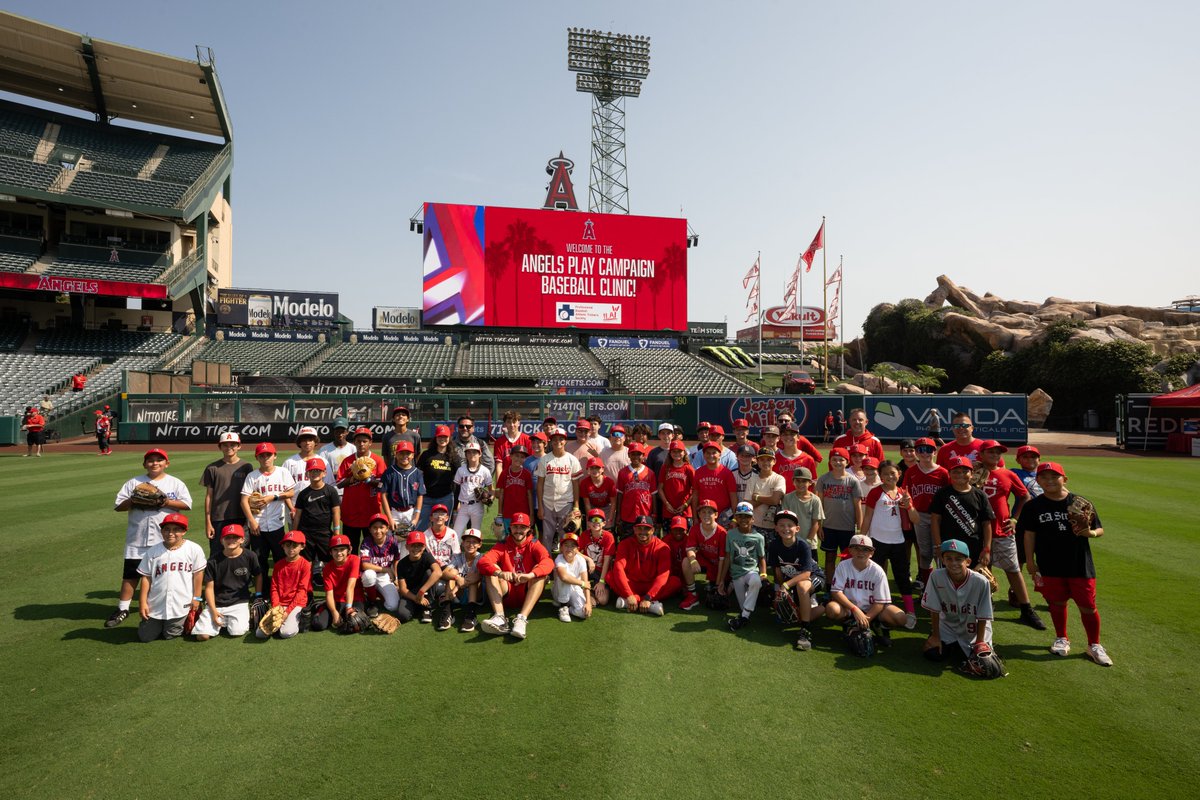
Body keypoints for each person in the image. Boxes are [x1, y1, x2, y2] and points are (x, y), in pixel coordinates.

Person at [1019, 462, 1112, 666]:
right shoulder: (1033, 506)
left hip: (1080, 564)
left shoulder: (1079, 502)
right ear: (1037, 481)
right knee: (1057, 603)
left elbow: (1099, 529)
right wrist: (1030, 562)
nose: (1049, 480)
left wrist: (1090, 533)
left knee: (1088, 606)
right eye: (1044, 477)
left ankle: (1094, 645)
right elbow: (1029, 535)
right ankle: (1061, 638)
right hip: (1049, 563)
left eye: (1054, 476)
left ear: (1064, 479)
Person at [106, 448, 193, 628]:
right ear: (145, 464)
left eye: (159, 460)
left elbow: (186, 504)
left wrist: (166, 502)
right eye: (151, 460)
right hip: (136, 538)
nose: (155, 463)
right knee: (130, 575)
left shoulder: (175, 483)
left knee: (159, 575)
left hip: (164, 540)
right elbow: (118, 506)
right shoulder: (134, 483)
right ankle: (123, 608)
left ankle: (156, 608)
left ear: (166, 463)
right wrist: (134, 500)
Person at [976, 440, 1045, 630]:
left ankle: (1026, 609)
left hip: (1001, 529)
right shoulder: (972, 473)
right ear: (981, 454)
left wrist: (1015, 518)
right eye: (990, 452)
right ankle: (984, 607)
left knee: (1013, 569)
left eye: (998, 452)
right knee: (982, 570)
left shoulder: (1008, 474)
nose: (995, 455)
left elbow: (1024, 496)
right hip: (975, 530)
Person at [862, 461, 920, 629]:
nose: (889, 476)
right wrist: (861, 537)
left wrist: (908, 506)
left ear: (899, 474)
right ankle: (876, 608)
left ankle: (910, 611)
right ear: (880, 476)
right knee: (876, 576)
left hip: (898, 542)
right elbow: (867, 517)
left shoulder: (904, 493)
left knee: (902, 576)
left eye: (892, 473)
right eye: (885, 473)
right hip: (877, 541)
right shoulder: (875, 493)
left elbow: (915, 519)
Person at [921, 539, 996, 670]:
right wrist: (935, 636)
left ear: (968, 562)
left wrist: (980, 642)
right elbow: (934, 609)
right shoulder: (936, 576)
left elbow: (983, 615)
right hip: (948, 627)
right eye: (949, 559)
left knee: (983, 663)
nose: (953, 563)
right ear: (943, 560)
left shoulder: (981, 582)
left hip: (974, 630)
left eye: (958, 559)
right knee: (932, 654)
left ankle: (960, 648)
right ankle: (953, 646)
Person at [477, 512, 554, 639]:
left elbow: (548, 562)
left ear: (529, 529)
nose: (518, 531)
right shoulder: (502, 544)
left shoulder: (534, 544)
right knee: (491, 571)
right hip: (507, 590)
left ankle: (521, 619)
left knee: (539, 573)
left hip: (527, 592)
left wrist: (530, 575)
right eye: (515, 527)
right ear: (510, 527)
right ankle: (500, 617)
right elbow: (483, 562)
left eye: (522, 527)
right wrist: (500, 573)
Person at [825, 534, 908, 648]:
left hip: (873, 609)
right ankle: (848, 623)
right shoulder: (843, 566)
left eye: (866, 549)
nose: (861, 552)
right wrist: (854, 610)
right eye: (857, 548)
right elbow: (836, 592)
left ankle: (878, 625)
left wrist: (866, 620)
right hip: (849, 609)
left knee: (901, 618)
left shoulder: (877, 571)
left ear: (871, 553)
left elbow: (880, 602)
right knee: (831, 609)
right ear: (850, 550)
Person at [135, 513, 206, 642]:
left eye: (176, 530)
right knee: (145, 637)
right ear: (161, 531)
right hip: (156, 604)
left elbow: (198, 575)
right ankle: (157, 624)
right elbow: (146, 578)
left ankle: (178, 623)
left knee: (170, 635)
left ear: (184, 531)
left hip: (181, 604)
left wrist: (197, 598)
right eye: (166, 529)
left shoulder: (194, 549)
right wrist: (142, 602)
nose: (170, 533)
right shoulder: (153, 551)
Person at [192, 524, 262, 641]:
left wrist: (258, 595)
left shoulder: (250, 556)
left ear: (242, 540)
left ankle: (226, 620)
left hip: (239, 602)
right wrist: (213, 611)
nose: (231, 540)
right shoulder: (213, 561)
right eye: (227, 537)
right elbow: (209, 588)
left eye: (235, 537)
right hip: (217, 603)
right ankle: (223, 620)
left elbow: (258, 575)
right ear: (221, 540)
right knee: (202, 636)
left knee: (236, 632)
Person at [768, 509, 825, 650]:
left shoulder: (802, 545)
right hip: (792, 580)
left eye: (790, 525)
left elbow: (806, 574)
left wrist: (786, 586)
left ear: (797, 529)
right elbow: (777, 570)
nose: (785, 528)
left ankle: (805, 630)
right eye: (781, 525)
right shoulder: (774, 545)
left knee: (801, 586)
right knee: (795, 616)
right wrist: (781, 589)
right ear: (776, 528)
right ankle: (824, 606)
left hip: (813, 577)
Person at [241, 442, 297, 584]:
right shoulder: (252, 476)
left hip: (277, 524)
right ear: (257, 458)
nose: (265, 457)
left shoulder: (283, 472)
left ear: (275, 456)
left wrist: (273, 497)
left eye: (268, 455)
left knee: (280, 557)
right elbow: (244, 501)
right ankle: (263, 592)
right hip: (257, 526)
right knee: (260, 560)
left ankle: (280, 587)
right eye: (262, 455)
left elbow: (291, 492)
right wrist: (251, 522)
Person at [901, 438, 950, 591]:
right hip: (919, 516)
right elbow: (905, 491)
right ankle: (927, 586)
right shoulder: (911, 471)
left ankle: (942, 586)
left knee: (939, 550)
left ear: (934, 452)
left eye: (928, 449)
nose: (924, 453)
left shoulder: (943, 472)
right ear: (916, 453)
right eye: (920, 450)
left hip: (939, 517)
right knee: (924, 552)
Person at [929, 456, 994, 566]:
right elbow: (935, 520)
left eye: (965, 471)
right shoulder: (942, 494)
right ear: (949, 473)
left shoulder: (979, 495)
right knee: (948, 578)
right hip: (948, 546)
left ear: (972, 473)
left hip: (974, 546)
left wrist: (987, 549)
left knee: (973, 578)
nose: (960, 475)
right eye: (956, 472)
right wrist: (938, 545)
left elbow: (986, 524)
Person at [609, 515, 680, 616]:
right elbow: (618, 568)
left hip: (652, 585)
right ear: (634, 529)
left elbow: (663, 576)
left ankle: (634, 601)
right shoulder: (625, 544)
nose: (642, 532)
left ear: (652, 530)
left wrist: (647, 597)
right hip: (632, 584)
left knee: (675, 582)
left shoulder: (662, 547)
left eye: (646, 528)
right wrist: (629, 594)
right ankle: (650, 605)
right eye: (639, 528)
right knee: (610, 576)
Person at [716, 502, 768, 632]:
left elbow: (762, 558)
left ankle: (743, 618)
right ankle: (744, 611)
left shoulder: (759, 537)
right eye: (740, 516)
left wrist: (764, 574)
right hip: (736, 574)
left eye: (747, 516)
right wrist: (722, 580)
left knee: (756, 582)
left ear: (753, 519)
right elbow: (727, 557)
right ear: (736, 518)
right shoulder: (731, 534)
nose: (744, 519)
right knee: (744, 606)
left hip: (751, 571)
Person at [335, 427, 389, 551]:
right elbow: (339, 483)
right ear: (354, 442)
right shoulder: (348, 461)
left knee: (372, 549)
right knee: (350, 549)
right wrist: (353, 478)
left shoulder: (378, 460)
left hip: (372, 512)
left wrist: (369, 480)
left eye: (365, 441)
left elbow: (383, 484)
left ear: (370, 442)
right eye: (358, 441)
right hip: (350, 513)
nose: (361, 444)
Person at [814, 447, 864, 581]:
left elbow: (857, 505)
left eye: (841, 460)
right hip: (829, 527)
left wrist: (859, 528)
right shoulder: (824, 479)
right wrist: (819, 525)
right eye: (834, 459)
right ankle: (830, 586)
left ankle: (844, 586)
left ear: (847, 462)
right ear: (830, 461)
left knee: (847, 560)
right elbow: (819, 504)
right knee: (829, 559)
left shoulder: (852, 481)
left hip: (847, 527)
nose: (837, 462)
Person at [201, 431, 253, 556]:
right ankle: (215, 576)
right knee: (217, 552)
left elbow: (250, 493)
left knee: (242, 552)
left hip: (241, 516)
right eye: (225, 445)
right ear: (220, 447)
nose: (229, 447)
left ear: (239, 446)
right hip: (219, 517)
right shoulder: (212, 468)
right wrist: (208, 521)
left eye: (233, 444)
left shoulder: (246, 466)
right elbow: (209, 496)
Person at [256, 530, 311, 639]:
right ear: (283, 547)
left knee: (285, 633)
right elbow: (274, 588)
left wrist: (286, 613)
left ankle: (299, 618)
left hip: (296, 603)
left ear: (302, 547)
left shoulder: (305, 565)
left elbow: (301, 591)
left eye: (295, 545)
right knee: (260, 634)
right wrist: (276, 608)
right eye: (287, 545)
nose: (291, 548)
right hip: (280, 603)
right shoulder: (278, 565)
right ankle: (286, 621)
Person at [293, 458, 341, 582]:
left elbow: (336, 511)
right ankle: (306, 586)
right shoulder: (303, 493)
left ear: (324, 473)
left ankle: (331, 584)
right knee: (306, 561)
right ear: (307, 473)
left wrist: (336, 531)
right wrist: (294, 533)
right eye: (312, 471)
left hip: (324, 532)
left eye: (318, 471)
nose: (315, 474)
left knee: (328, 560)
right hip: (306, 533)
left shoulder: (330, 491)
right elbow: (298, 514)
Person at [536, 427, 582, 552]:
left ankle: (564, 564)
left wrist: (576, 506)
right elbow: (540, 484)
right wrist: (540, 505)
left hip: (566, 503)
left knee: (565, 536)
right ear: (550, 441)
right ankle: (547, 566)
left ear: (565, 441)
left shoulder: (572, 460)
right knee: (547, 536)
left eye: (561, 439)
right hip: (547, 502)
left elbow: (576, 484)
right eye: (555, 439)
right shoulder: (544, 460)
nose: (558, 442)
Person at [395, 530, 449, 627]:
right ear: (407, 547)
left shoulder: (427, 556)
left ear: (424, 547)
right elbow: (403, 589)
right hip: (410, 593)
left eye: (419, 545)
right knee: (403, 615)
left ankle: (427, 607)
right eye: (413, 545)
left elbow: (438, 572)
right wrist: (416, 598)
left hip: (425, 589)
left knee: (430, 573)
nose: (416, 548)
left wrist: (421, 591)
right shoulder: (401, 564)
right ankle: (420, 605)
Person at [680, 500, 727, 610]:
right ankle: (692, 595)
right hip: (705, 561)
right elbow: (690, 549)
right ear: (699, 514)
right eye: (703, 512)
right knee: (686, 561)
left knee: (722, 590)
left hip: (718, 565)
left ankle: (718, 584)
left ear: (716, 515)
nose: (706, 515)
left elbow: (722, 560)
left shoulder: (722, 532)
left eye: (709, 512)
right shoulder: (695, 529)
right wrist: (693, 560)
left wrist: (718, 583)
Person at [312, 534, 364, 632]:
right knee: (318, 624)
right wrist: (334, 612)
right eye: (335, 550)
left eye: (342, 549)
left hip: (354, 599)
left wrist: (349, 609)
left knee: (354, 624)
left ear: (349, 549)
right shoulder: (327, 568)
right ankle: (322, 606)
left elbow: (350, 587)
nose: (339, 553)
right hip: (337, 600)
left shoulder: (355, 560)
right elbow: (329, 594)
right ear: (330, 552)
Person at [416, 425, 459, 531]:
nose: (442, 439)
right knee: (421, 527)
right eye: (440, 436)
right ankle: (422, 547)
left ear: (449, 438)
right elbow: (418, 474)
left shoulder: (453, 456)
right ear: (435, 438)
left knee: (442, 527)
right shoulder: (427, 455)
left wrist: (458, 502)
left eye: (445, 437)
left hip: (446, 497)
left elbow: (459, 478)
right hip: (427, 497)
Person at [358, 513, 402, 615]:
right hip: (369, 574)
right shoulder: (366, 542)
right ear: (369, 529)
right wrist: (386, 569)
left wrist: (396, 578)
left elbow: (396, 560)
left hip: (384, 577)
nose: (378, 531)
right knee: (369, 575)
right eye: (375, 528)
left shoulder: (393, 542)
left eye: (381, 527)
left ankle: (375, 594)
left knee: (393, 606)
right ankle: (372, 602)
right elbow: (364, 565)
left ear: (387, 528)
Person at [445, 527, 485, 631]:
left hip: (477, 595)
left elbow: (480, 576)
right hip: (460, 595)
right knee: (452, 573)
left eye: (474, 542)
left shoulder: (482, 557)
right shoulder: (457, 556)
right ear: (462, 543)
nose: (470, 544)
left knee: (473, 576)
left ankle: (471, 615)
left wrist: (457, 586)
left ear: (479, 545)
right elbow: (444, 573)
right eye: (468, 541)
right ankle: (448, 612)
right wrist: (457, 577)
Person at [381, 440, 425, 532]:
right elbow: (383, 495)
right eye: (401, 453)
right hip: (394, 512)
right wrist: (389, 518)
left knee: (409, 543)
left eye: (408, 454)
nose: (405, 456)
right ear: (396, 455)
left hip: (411, 512)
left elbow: (420, 496)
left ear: (412, 455)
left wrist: (416, 518)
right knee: (392, 542)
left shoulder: (418, 473)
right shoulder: (389, 472)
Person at [616, 443, 658, 539]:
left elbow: (654, 495)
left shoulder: (650, 473)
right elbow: (620, 494)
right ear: (629, 455)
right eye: (633, 454)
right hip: (627, 515)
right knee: (627, 540)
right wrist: (618, 514)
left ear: (643, 455)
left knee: (645, 540)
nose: (635, 457)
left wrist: (654, 514)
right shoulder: (623, 472)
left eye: (638, 454)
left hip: (645, 513)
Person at [693, 441, 738, 527]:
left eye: (714, 453)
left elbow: (733, 496)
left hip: (723, 516)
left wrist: (735, 518)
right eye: (708, 453)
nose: (711, 455)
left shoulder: (726, 473)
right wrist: (695, 517)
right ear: (703, 455)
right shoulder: (698, 473)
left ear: (720, 455)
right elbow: (695, 496)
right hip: (704, 515)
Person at [780, 467, 824, 553]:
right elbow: (785, 520)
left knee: (809, 566)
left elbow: (816, 523)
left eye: (804, 481)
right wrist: (789, 539)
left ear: (810, 483)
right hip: (790, 542)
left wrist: (807, 542)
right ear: (793, 482)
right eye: (798, 481)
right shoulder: (787, 498)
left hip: (809, 544)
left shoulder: (815, 500)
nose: (800, 484)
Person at [746, 449, 785, 546]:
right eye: (762, 460)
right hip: (755, 525)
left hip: (773, 527)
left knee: (771, 558)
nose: (765, 462)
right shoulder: (752, 479)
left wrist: (757, 497)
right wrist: (769, 498)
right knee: (755, 557)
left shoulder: (778, 478)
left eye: (769, 460)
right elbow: (748, 505)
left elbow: (775, 500)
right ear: (757, 462)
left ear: (774, 461)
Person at [452, 442, 492, 533]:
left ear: (480, 454)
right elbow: (456, 489)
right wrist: (456, 505)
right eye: (469, 452)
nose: (472, 455)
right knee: (456, 533)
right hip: (463, 507)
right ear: (465, 455)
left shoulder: (485, 471)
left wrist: (489, 498)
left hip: (477, 506)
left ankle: (476, 547)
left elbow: (491, 490)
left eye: (474, 452)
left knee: (475, 534)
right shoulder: (461, 470)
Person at [578, 509, 616, 606]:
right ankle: (588, 592)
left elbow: (607, 560)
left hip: (601, 572)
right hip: (588, 569)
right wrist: (589, 559)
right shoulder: (584, 535)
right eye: (592, 520)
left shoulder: (608, 537)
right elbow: (575, 551)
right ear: (588, 523)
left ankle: (591, 593)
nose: (596, 522)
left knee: (603, 600)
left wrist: (602, 581)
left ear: (604, 523)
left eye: (598, 520)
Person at [552, 532, 593, 622]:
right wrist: (582, 583)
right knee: (567, 579)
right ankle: (563, 608)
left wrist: (588, 603)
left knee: (583, 613)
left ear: (577, 549)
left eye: (572, 546)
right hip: (559, 591)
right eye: (566, 545)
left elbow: (585, 581)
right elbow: (564, 577)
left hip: (575, 588)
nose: (569, 548)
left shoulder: (581, 560)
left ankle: (569, 607)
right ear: (561, 548)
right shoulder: (559, 558)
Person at [497, 443, 535, 537]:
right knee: (508, 536)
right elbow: (501, 493)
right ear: (511, 456)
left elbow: (529, 494)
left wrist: (531, 513)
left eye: (522, 457)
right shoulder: (504, 473)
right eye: (516, 456)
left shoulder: (526, 474)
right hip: (508, 512)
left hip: (523, 512)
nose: (519, 459)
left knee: (523, 536)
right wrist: (499, 513)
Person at [936, 413, 1001, 468]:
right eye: (956, 426)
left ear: (972, 428)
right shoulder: (944, 450)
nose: (961, 428)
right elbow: (940, 475)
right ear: (952, 429)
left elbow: (1001, 472)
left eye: (964, 425)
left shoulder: (986, 447)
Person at [657, 441, 694, 531]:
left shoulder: (688, 468)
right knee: (668, 536)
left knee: (686, 537)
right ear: (670, 453)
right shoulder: (665, 467)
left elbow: (696, 490)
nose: (677, 454)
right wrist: (666, 504)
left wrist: (685, 504)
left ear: (684, 452)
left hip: (685, 511)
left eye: (679, 451)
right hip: (669, 510)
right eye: (674, 451)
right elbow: (660, 488)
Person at [492, 410, 531, 485]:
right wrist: (499, 486)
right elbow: (499, 465)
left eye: (514, 422)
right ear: (505, 424)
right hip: (507, 481)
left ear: (519, 423)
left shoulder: (527, 440)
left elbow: (530, 463)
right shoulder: (499, 442)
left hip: (523, 481)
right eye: (509, 422)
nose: (512, 425)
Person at [283, 426, 321, 501]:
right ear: (299, 442)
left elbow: (329, 485)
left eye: (310, 440)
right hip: (295, 506)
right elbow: (283, 488)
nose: (307, 443)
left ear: (315, 442)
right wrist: (291, 508)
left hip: (317, 505)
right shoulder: (289, 462)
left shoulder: (322, 461)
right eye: (304, 440)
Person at [775, 426, 818, 494]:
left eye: (792, 434)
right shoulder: (774, 459)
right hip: (782, 500)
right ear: (781, 437)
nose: (788, 437)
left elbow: (814, 483)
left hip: (803, 501)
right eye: (785, 434)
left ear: (798, 437)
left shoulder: (808, 459)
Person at [318, 417, 355, 494]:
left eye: (343, 431)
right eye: (337, 432)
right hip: (331, 490)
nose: (340, 434)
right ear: (333, 432)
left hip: (350, 489)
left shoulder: (353, 448)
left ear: (347, 432)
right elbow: (320, 470)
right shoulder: (324, 450)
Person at [580, 455, 617, 522]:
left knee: (607, 528)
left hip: (607, 507)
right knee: (593, 526)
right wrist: (590, 519)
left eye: (597, 468)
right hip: (592, 507)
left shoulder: (609, 482)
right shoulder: (584, 483)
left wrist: (611, 518)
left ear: (602, 469)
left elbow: (613, 503)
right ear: (587, 470)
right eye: (592, 468)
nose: (594, 470)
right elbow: (587, 504)